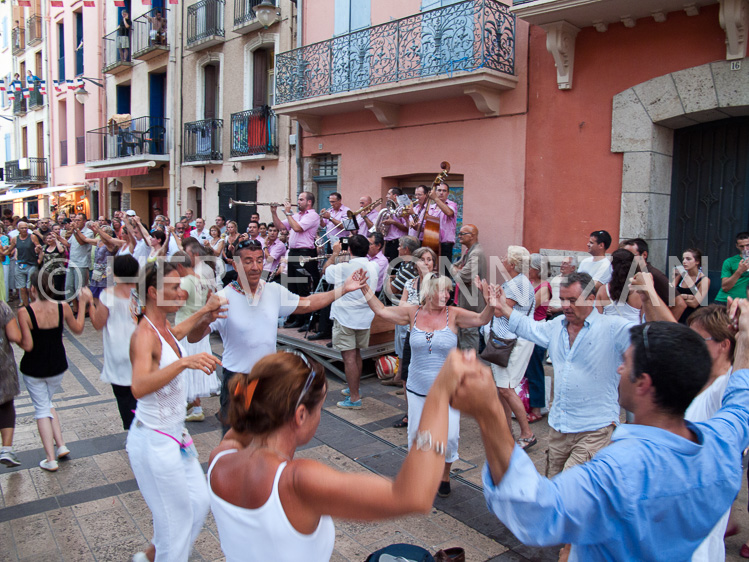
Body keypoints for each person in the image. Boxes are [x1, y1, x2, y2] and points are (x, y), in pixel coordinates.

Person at [453, 298, 749, 561]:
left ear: (643, 383)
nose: (620, 369)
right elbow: (741, 402)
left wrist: (489, 413)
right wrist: (745, 339)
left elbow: (535, 512)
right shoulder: (721, 442)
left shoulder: (621, 472)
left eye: (626, 363)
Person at [208, 348, 463, 562]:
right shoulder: (297, 481)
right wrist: (439, 394)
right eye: (320, 407)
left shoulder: (219, 457)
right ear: (300, 416)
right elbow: (413, 497)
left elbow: (241, 428)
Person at [491, 271, 676, 483]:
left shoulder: (613, 328)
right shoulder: (557, 326)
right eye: (562, 299)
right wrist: (503, 307)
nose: (566, 305)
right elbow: (529, 327)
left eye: (572, 300)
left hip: (594, 431)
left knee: (569, 491)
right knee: (554, 491)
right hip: (559, 429)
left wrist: (648, 295)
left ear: (590, 299)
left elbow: (657, 338)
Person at [186, 239, 365, 434]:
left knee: (267, 438)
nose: (255, 267)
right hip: (238, 382)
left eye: (259, 260)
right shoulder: (223, 298)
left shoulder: (272, 291)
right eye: (248, 261)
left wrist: (343, 289)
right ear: (236, 264)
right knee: (235, 441)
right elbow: (193, 337)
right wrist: (205, 318)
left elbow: (308, 303)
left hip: (269, 380)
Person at [357, 268, 496, 497]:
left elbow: (482, 319)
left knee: (450, 437)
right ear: (429, 292)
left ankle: (445, 474)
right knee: (417, 436)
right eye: (442, 291)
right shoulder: (412, 313)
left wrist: (490, 303)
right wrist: (365, 288)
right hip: (417, 388)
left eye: (448, 292)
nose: (446, 295)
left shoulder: (454, 314)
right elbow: (381, 310)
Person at [127, 261, 224, 562]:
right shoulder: (144, 334)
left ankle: (152, 555)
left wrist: (204, 312)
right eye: (174, 289)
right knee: (177, 520)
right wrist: (183, 363)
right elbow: (139, 386)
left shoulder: (163, 326)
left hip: (174, 436)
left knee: (198, 501)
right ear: (154, 293)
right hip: (153, 441)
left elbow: (178, 332)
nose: (181, 293)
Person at [17, 270, 90, 471]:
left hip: (34, 367)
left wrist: (16, 337)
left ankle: (50, 459)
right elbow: (78, 329)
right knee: (47, 403)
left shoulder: (25, 312)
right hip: (57, 365)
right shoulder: (63, 307)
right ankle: (61, 445)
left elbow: (28, 345)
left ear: (32, 289)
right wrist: (82, 304)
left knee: (41, 409)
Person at [685, 305, 735, 562]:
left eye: (698, 339)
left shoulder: (726, 387)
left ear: (723, 345)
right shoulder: (696, 379)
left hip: (701, 504)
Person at [484, 245, 537, 450]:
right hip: (506, 340)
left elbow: (498, 312)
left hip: (512, 341)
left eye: (506, 257)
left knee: (506, 389)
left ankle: (527, 434)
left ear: (513, 264)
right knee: (502, 389)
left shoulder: (518, 285)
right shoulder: (515, 282)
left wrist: (488, 294)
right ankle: (507, 434)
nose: (502, 259)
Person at [322, 235, 380, 409]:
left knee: (348, 358)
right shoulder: (374, 266)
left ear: (350, 250)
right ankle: (354, 389)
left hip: (345, 317)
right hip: (364, 317)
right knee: (356, 355)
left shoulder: (342, 267)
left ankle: (354, 398)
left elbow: (325, 272)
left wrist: (334, 254)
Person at [88, 255, 141, 431]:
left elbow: (98, 323)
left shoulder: (107, 295)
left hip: (117, 350)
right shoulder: (140, 294)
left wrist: (89, 305)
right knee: (141, 392)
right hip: (139, 346)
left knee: (123, 396)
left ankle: (131, 430)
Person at [174, 249, 221, 423]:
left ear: (179, 266)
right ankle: (192, 402)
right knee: (194, 368)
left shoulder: (186, 281)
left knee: (188, 369)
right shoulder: (200, 279)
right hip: (199, 327)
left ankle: (196, 406)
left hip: (187, 328)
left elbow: (178, 304)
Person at [271, 192, 320, 329]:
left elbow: (297, 228)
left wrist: (288, 213)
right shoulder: (297, 215)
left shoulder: (313, 216)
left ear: (309, 202)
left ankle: (307, 321)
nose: (298, 202)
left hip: (304, 253)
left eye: (301, 199)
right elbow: (281, 227)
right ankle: (297, 319)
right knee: (293, 288)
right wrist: (274, 213)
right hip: (293, 253)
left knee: (303, 288)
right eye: (298, 199)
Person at [0, 299, 31, 467]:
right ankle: (6, 449)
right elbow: (14, 336)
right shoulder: (2, 308)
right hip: (2, 367)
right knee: (5, 406)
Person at [450, 224, 487, 351]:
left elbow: (460, 276)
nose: (459, 236)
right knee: (463, 338)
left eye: (462, 234)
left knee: (468, 339)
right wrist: (456, 270)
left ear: (472, 236)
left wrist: (456, 271)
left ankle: (470, 368)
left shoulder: (476, 253)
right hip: (465, 303)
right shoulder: (469, 252)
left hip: (471, 306)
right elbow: (453, 267)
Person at [523, 253, 551, 423]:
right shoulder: (533, 283)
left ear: (536, 269)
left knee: (534, 369)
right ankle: (532, 404)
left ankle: (537, 408)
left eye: (529, 267)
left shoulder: (544, 286)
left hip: (537, 331)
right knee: (529, 368)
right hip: (530, 329)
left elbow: (529, 306)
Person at [595, 248, 643, 323]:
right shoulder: (640, 292)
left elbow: (597, 319)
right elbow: (644, 320)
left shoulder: (603, 290)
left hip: (609, 332)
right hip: (632, 332)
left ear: (612, 266)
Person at [2, 221, 41, 306]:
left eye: (26, 228)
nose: (24, 230)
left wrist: (38, 251)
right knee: (22, 288)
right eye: (22, 228)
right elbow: (10, 250)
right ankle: (27, 307)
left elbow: (38, 247)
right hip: (20, 264)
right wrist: (3, 253)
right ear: (18, 229)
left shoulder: (32, 237)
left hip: (31, 264)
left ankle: (34, 306)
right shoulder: (15, 239)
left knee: (29, 288)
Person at [64, 214, 95, 313]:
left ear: (84, 221)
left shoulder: (88, 232)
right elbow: (68, 244)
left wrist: (76, 230)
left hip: (82, 263)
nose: (76, 222)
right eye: (75, 220)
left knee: (80, 288)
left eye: (79, 220)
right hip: (72, 263)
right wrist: (57, 238)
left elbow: (82, 242)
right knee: (69, 286)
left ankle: (84, 309)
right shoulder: (74, 232)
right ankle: (75, 307)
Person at [674, 248, 710, 324]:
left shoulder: (704, 280)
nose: (684, 262)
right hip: (676, 314)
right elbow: (669, 295)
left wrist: (679, 297)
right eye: (683, 259)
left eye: (688, 259)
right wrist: (688, 297)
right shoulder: (679, 275)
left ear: (697, 261)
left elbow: (694, 304)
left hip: (692, 317)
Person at [427, 182, 458, 260]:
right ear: (435, 192)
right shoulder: (430, 207)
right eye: (439, 190)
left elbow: (449, 212)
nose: (441, 193)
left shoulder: (452, 204)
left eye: (444, 191)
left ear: (448, 193)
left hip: (445, 244)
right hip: (431, 242)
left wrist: (436, 199)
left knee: (444, 270)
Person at [716, 233, 749, 304]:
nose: (745, 249)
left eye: (748, 245)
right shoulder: (729, 262)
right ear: (737, 246)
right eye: (742, 246)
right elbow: (725, 287)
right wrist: (739, 271)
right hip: (725, 300)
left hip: (745, 302)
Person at [89, 224, 120, 300]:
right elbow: (85, 240)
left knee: (106, 296)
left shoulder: (111, 244)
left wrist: (98, 230)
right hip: (97, 271)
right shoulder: (98, 241)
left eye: (103, 232)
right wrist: (76, 230)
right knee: (94, 295)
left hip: (106, 273)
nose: (100, 233)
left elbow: (107, 241)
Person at [38, 231, 67, 300]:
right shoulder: (44, 248)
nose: (49, 240)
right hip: (48, 272)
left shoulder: (59, 246)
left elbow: (61, 251)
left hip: (58, 272)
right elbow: (40, 259)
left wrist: (56, 239)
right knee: (48, 288)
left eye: (51, 238)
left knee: (58, 289)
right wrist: (39, 252)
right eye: (47, 238)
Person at [382, 187, 409, 262]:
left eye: (388, 194)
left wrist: (393, 222)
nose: (386, 196)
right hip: (388, 241)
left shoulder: (402, 209)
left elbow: (406, 228)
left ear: (395, 196)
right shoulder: (389, 208)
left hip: (397, 242)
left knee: (394, 267)